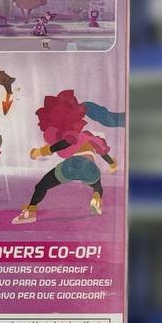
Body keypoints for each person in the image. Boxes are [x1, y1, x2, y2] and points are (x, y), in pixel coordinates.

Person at [12, 89, 124, 225]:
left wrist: (41, 152)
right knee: (98, 187)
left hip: (71, 166)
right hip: (90, 169)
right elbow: (104, 154)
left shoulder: (73, 135)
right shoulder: (91, 138)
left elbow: (66, 142)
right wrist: (112, 165)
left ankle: (30, 213)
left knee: (42, 186)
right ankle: (96, 200)